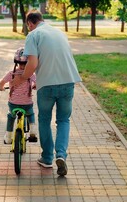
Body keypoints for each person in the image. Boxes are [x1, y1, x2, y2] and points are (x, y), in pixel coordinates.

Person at [11, 10, 81, 176]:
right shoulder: (59, 32)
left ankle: (48, 158)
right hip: (68, 81)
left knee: (44, 119)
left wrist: (21, 79)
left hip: (47, 85)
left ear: (30, 24)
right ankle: (61, 155)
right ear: (41, 20)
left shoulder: (33, 35)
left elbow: (32, 63)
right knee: (63, 120)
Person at [0, 47, 37, 144]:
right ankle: (32, 130)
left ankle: (8, 137)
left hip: (13, 104)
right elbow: (38, 83)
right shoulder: (31, 74)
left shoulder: (11, 74)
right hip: (27, 104)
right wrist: (34, 86)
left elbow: (2, 82)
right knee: (30, 114)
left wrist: (1, 88)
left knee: (11, 117)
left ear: (17, 63)